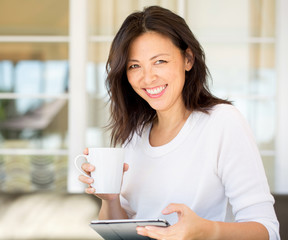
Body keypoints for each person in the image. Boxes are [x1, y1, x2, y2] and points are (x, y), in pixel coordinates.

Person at [78, 5, 280, 240]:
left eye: (160, 61)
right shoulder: (134, 135)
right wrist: (110, 199)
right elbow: (124, 231)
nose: (148, 77)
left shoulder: (222, 122)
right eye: (134, 66)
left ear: (188, 59)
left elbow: (268, 231)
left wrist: (206, 231)